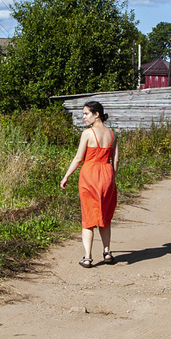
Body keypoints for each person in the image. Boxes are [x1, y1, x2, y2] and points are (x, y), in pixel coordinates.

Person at [59, 99, 118, 267]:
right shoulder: (112, 134)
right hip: (107, 176)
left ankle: (87, 257)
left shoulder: (88, 133)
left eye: (86, 114)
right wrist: (111, 178)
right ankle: (107, 252)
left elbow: (78, 158)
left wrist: (66, 176)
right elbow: (116, 159)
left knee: (88, 216)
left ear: (96, 114)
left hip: (90, 176)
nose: (84, 117)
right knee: (104, 216)